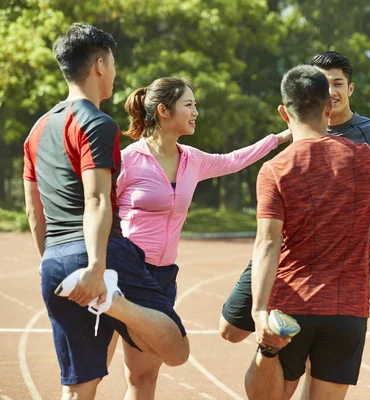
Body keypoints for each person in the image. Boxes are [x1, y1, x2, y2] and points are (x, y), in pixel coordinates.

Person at [244, 64, 370, 400]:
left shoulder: (275, 169)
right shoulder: (367, 158)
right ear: (329, 106)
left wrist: (259, 310)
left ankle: (268, 349)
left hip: (292, 306)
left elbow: (267, 244)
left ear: (283, 112)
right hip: (348, 311)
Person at [23, 23, 189, 400]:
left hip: (54, 261)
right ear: (99, 65)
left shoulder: (36, 129)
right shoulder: (97, 123)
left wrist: (51, 260)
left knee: (78, 388)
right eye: (112, 63)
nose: (114, 73)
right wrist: (96, 269)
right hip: (100, 256)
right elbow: (97, 199)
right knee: (177, 349)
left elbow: (35, 212)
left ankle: (108, 298)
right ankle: (114, 303)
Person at [115, 76, 290, 399]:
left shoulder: (191, 159)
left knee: (143, 376)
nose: (196, 111)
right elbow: (98, 207)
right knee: (95, 367)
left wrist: (280, 138)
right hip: (122, 271)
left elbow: (234, 160)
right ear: (165, 111)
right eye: (190, 104)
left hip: (162, 277)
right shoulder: (128, 160)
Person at [219, 50, 370, 343]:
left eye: (338, 83)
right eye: (323, 83)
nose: (331, 91)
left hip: (336, 261)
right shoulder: (296, 127)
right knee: (230, 330)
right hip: (284, 246)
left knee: (313, 352)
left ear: (350, 88)